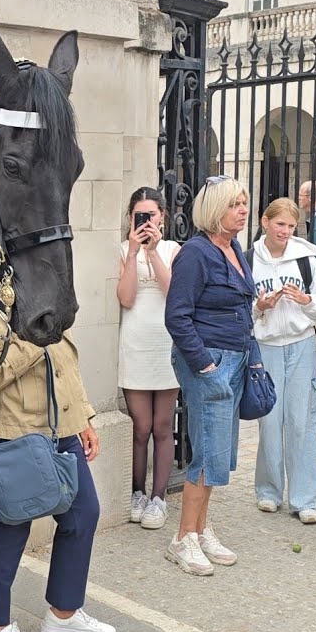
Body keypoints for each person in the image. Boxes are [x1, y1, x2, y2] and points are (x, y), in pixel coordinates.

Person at [0, 304, 113, 632]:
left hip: (60, 426)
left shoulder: (46, 294)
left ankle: (63, 614)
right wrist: (33, 342)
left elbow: (66, 368)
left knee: (83, 512)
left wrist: (83, 419)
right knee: (12, 524)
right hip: (15, 431)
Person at [163, 175, 255, 576]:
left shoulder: (234, 248)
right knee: (207, 451)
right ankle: (183, 537)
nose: (243, 209)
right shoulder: (196, 253)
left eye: (244, 201)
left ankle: (201, 529)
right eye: (235, 203)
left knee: (220, 451)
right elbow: (177, 317)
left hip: (234, 357)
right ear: (216, 209)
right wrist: (205, 364)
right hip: (209, 360)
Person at [249, 199, 316, 524]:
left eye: (291, 226)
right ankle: (268, 491)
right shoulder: (249, 259)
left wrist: (306, 300)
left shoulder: (306, 261)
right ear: (265, 222)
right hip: (266, 345)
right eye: (280, 224)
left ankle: (305, 498)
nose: (285, 231)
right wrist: (260, 307)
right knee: (269, 420)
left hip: (300, 344)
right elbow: (243, 310)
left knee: (302, 420)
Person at [117, 187, 181, 530]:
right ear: (131, 218)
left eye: (151, 215)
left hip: (166, 343)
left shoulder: (173, 250)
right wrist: (132, 252)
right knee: (140, 426)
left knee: (162, 426)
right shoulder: (123, 250)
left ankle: (159, 498)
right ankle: (137, 492)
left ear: (162, 217)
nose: (145, 221)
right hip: (136, 343)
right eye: (139, 215)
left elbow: (174, 292)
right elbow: (126, 298)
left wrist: (153, 252)